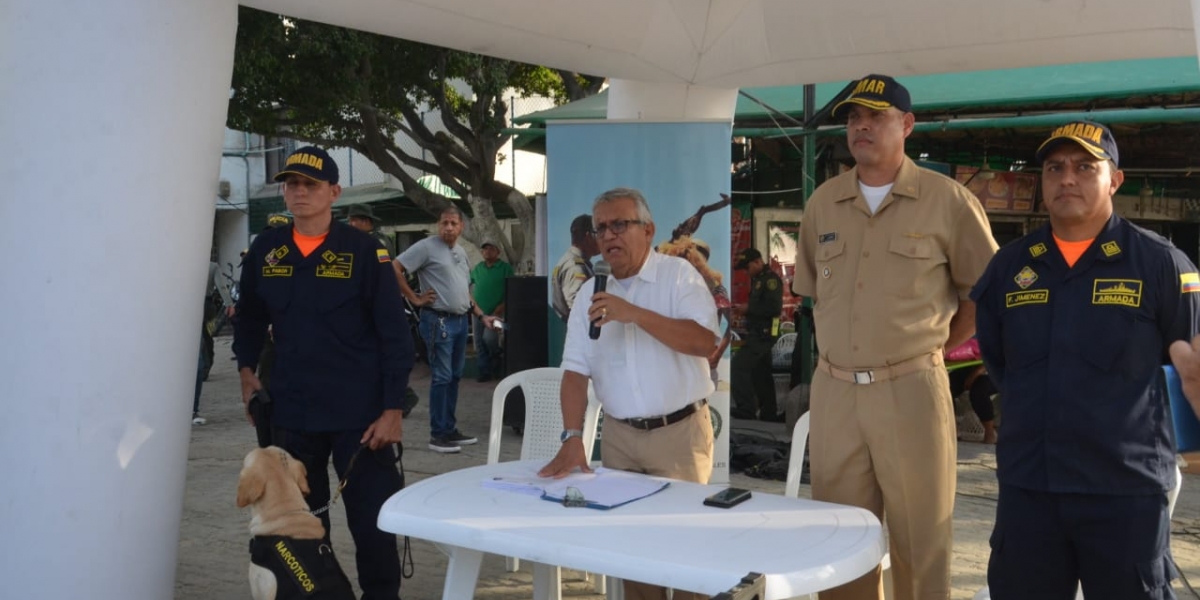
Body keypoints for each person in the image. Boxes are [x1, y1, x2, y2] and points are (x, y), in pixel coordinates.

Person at [972, 121, 1200, 599]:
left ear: (1115, 179)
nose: (1067, 178)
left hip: (1125, 494)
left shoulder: (1161, 263)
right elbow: (997, 359)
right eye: (1054, 168)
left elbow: (1191, 363)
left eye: (1084, 167)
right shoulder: (1011, 267)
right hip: (1030, 488)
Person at [791, 74, 998, 600]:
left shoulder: (947, 201)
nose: (861, 126)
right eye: (853, 118)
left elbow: (984, 292)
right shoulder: (823, 204)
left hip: (911, 389)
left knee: (920, 539)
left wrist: (933, 351)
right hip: (835, 392)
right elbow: (813, 292)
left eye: (876, 117)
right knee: (837, 537)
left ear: (906, 125)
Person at [233, 146, 415, 599]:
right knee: (303, 528)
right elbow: (251, 316)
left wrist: (393, 408)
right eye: (291, 184)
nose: (299, 192)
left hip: (362, 418)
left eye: (310, 184)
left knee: (373, 526)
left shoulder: (365, 250)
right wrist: (245, 369)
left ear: (334, 192)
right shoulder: (267, 249)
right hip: (293, 415)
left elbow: (395, 335)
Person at [539, 187, 720, 600]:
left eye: (620, 224)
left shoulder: (679, 277)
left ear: (648, 230)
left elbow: (704, 342)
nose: (608, 235)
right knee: (633, 559)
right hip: (620, 439)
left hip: (679, 436)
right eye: (601, 227)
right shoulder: (589, 292)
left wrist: (633, 314)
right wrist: (571, 438)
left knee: (688, 557)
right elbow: (574, 373)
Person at [394, 206, 497, 453]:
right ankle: (438, 434)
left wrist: (481, 315)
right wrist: (415, 298)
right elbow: (394, 267)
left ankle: (449, 429)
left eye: (453, 223)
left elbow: (465, 291)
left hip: (461, 321)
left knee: (454, 376)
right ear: (438, 225)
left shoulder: (460, 251)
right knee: (441, 377)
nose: (448, 227)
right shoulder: (426, 247)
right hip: (438, 321)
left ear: (461, 227)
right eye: (444, 223)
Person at [346, 203, 420, 417]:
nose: (352, 223)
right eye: (350, 219)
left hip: (378, 307)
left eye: (357, 219)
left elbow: (385, 275)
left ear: (367, 222)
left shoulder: (375, 243)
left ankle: (402, 396)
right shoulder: (358, 242)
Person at [730, 248, 784, 422]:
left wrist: (748, 309)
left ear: (757, 262)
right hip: (759, 333)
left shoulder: (770, 281)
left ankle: (746, 408)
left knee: (738, 366)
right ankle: (769, 412)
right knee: (761, 372)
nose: (746, 272)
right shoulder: (759, 279)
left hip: (764, 334)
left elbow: (774, 308)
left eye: (748, 268)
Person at [193, 260, 234, 425]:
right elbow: (221, 286)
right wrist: (229, 302)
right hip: (206, 304)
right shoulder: (212, 266)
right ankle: (206, 365)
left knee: (200, 340)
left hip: (187, 306)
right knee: (206, 337)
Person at [469, 240, 514, 382]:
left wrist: (502, 307)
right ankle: (485, 372)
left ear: (498, 252)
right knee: (479, 343)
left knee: (489, 339)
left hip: (497, 313)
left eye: (491, 249)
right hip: (478, 313)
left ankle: (497, 358)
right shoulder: (477, 268)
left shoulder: (505, 268)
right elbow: (467, 284)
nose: (487, 251)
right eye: (485, 249)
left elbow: (512, 289)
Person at [551, 214, 600, 321]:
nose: (601, 238)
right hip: (577, 331)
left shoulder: (570, 261)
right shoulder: (575, 267)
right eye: (598, 233)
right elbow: (577, 307)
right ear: (588, 236)